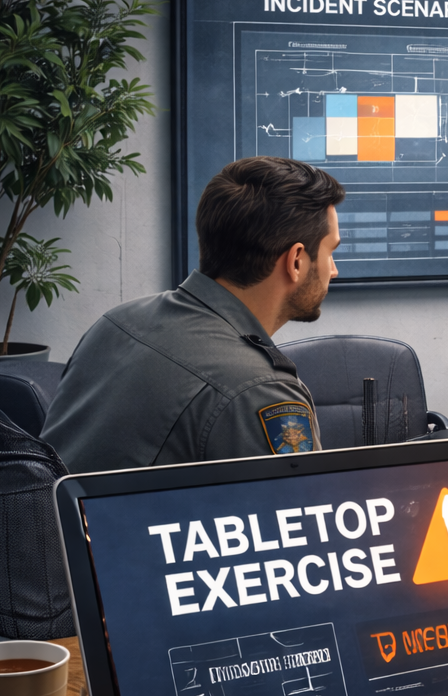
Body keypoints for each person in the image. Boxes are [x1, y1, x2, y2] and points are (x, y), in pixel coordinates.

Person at [42, 157, 343, 473]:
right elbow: (299, 513)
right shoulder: (259, 391)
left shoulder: (119, 321)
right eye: (330, 251)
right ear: (296, 261)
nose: (334, 270)